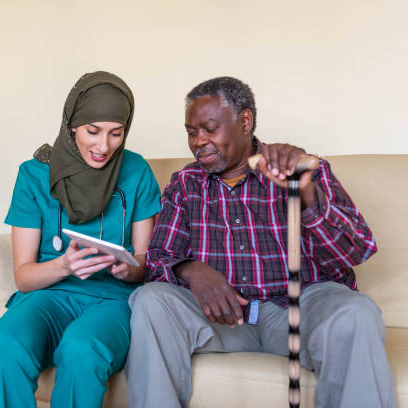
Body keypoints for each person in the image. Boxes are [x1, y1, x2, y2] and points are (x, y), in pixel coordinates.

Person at [125, 76, 396, 408]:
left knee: (356, 312)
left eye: (210, 129)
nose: (199, 142)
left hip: (299, 309)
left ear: (245, 121)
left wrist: (306, 191)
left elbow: (355, 248)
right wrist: (190, 269)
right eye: (192, 132)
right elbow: (158, 258)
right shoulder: (185, 183)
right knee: (150, 301)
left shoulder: (301, 168)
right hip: (221, 318)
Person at [0, 71, 161, 408]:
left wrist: (129, 270)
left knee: (82, 349)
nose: (104, 145)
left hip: (114, 300)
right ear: (72, 125)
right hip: (49, 295)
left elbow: (145, 263)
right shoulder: (34, 175)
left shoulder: (136, 171)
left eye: (116, 133)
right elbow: (24, 276)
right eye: (93, 131)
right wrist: (64, 265)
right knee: (6, 343)